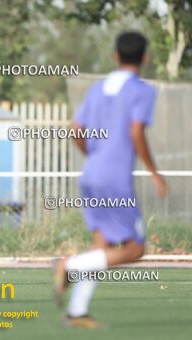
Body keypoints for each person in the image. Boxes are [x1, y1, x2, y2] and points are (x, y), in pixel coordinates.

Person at [53, 31, 168, 328]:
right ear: (145, 58)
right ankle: (70, 265)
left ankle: (77, 311)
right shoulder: (142, 91)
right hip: (115, 178)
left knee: (102, 245)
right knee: (135, 248)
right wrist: (154, 171)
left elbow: (76, 128)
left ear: (115, 56)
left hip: (91, 174)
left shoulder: (98, 89)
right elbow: (135, 131)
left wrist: (92, 154)